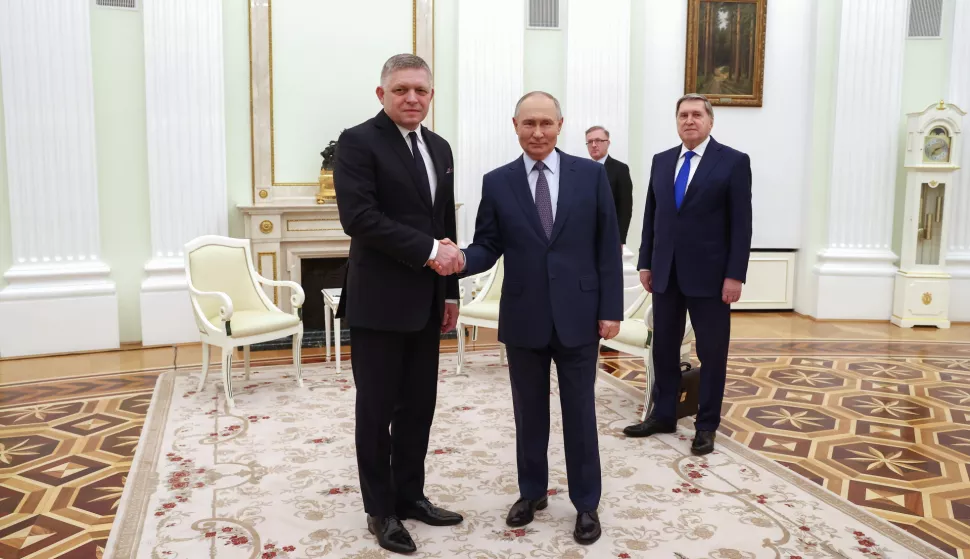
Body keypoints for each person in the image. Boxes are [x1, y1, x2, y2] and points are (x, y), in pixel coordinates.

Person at [431, 91, 624, 545]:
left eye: (546, 123)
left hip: (580, 316)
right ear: (514, 125)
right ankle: (532, 492)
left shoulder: (592, 176)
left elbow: (606, 246)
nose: (537, 132)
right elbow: (487, 244)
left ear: (561, 124)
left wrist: (611, 310)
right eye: (528, 124)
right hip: (524, 317)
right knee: (529, 414)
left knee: (580, 414)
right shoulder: (497, 182)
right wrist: (459, 258)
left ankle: (586, 504)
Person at [333, 53, 464, 555]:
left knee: (419, 409)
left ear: (431, 96)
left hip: (427, 302)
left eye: (421, 91)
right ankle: (380, 510)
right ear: (381, 94)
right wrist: (432, 253)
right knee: (377, 411)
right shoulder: (358, 142)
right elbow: (359, 218)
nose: (412, 98)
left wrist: (449, 291)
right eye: (402, 90)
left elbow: (442, 223)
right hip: (379, 304)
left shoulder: (439, 146)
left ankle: (411, 496)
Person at [622, 93, 752, 456]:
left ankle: (706, 425)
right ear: (676, 121)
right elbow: (652, 216)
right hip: (665, 273)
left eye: (697, 115)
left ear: (710, 122)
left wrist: (734, 275)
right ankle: (663, 415)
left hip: (711, 278)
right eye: (683, 115)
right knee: (663, 348)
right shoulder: (662, 161)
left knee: (712, 352)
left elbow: (742, 226)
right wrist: (645, 262)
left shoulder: (733, 162)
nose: (689, 120)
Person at [585, 126, 634, 246]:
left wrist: (620, 240)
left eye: (598, 140)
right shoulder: (583, 169)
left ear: (608, 143)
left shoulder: (620, 169)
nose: (594, 145)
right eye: (590, 141)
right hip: (585, 237)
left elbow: (625, 208)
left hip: (610, 236)